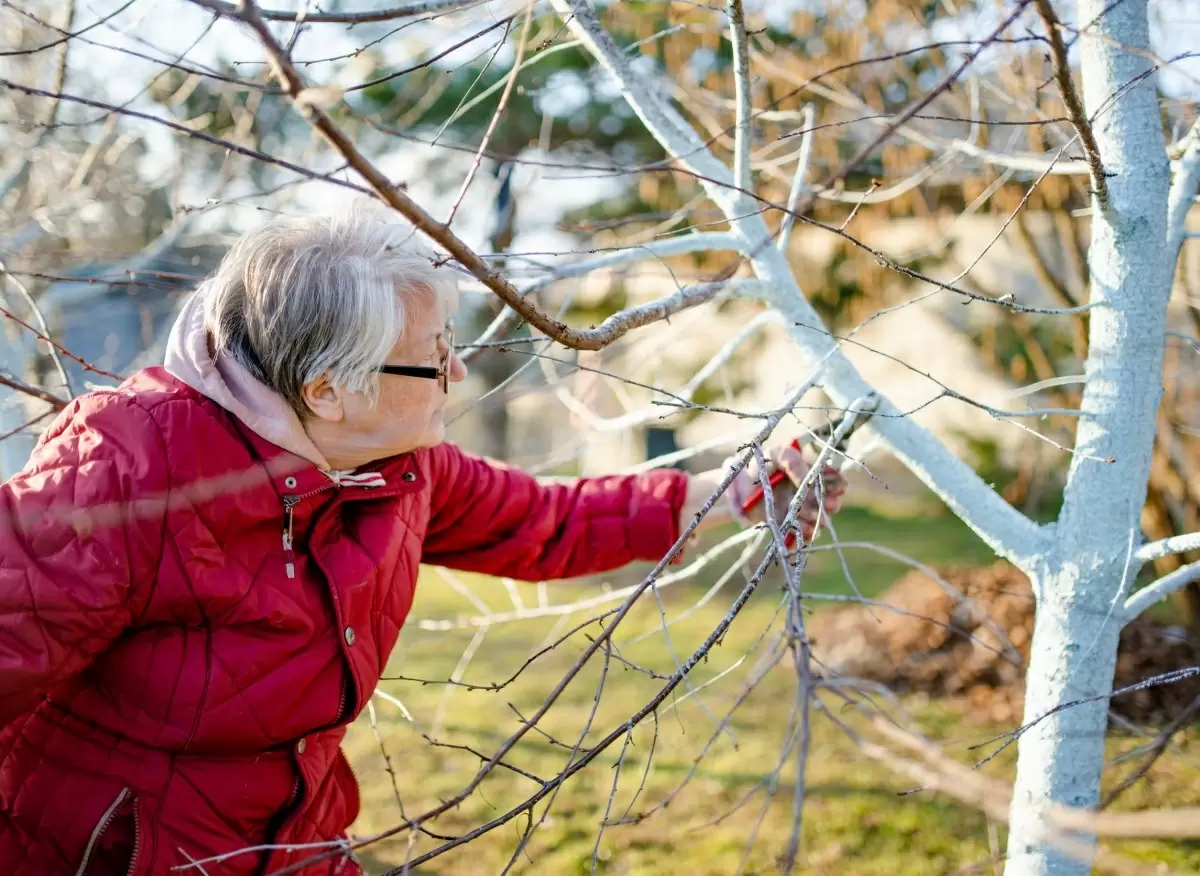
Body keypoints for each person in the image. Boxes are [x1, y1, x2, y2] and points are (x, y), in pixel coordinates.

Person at [0, 203, 846, 875]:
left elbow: (543, 522)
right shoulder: (121, 471)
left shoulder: (397, 467)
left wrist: (731, 491)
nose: (459, 374)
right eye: (435, 359)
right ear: (330, 388)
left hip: (295, 845)